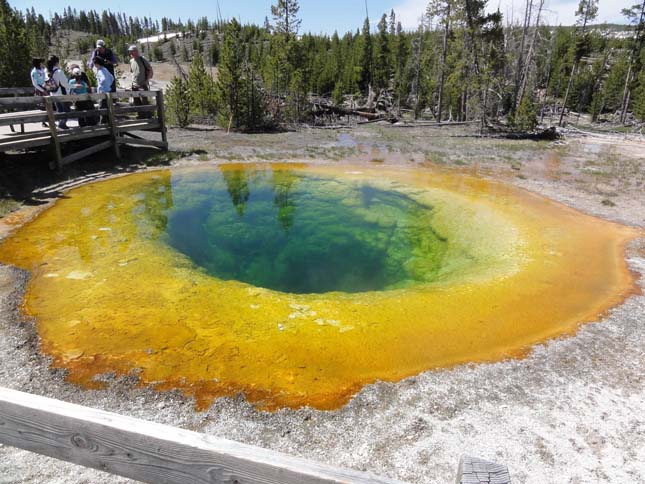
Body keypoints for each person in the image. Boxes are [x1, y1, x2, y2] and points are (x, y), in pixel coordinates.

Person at [128, 45, 154, 119]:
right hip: (134, 85)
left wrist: (147, 80)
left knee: (145, 102)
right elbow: (132, 73)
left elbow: (150, 69)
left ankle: (148, 118)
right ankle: (141, 116)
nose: (131, 53)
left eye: (132, 51)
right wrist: (132, 83)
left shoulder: (142, 59)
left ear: (136, 51)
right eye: (130, 51)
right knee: (136, 101)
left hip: (142, 84)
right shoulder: (131, 61)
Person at [45, 55, 70, 130]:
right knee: (66, 110)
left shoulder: (48, 72)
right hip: (61, 93)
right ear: (56, 63)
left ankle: (61, 124)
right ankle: (62, 124)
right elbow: (65, 83)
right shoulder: (59, 71)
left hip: (53, 93)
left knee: (59, 110)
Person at [93, 56, 115, 124]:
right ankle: (109, 124)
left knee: (102, 109)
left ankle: (102, 125)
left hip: (103, 93)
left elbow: (103, 79)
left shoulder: (100, 71)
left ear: (97, 63)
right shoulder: (105, 69)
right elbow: (112, 78)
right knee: (109, 109)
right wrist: (108, 85)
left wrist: (101, 86)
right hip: (109, 91)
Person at [30, 58, 48, 127]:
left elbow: (44, 79)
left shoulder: (42, 70)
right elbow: (35, 84)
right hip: (39, 89)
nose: (42, 64)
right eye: (41, 63)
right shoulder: (34, 72)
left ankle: (48, 120)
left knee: (47, 105)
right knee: (42, 106)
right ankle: (43, 121)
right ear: (39, 63)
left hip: (44, 87)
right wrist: (43, 90)